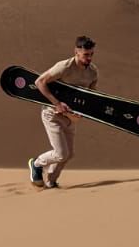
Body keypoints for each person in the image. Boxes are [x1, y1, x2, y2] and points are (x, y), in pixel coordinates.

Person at [28, 36, 96, 189]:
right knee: (61, 153)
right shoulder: (64, 67)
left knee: (69, 154)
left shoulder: (93, 72)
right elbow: (39, 82)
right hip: (52, 114)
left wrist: (83, 111)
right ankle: (37, 163)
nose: (89, 58)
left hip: (71, 117)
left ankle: (51, 181)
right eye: (86, 54)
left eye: (91, 54)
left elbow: (91, 96)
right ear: (76, 52)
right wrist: (57, 103)